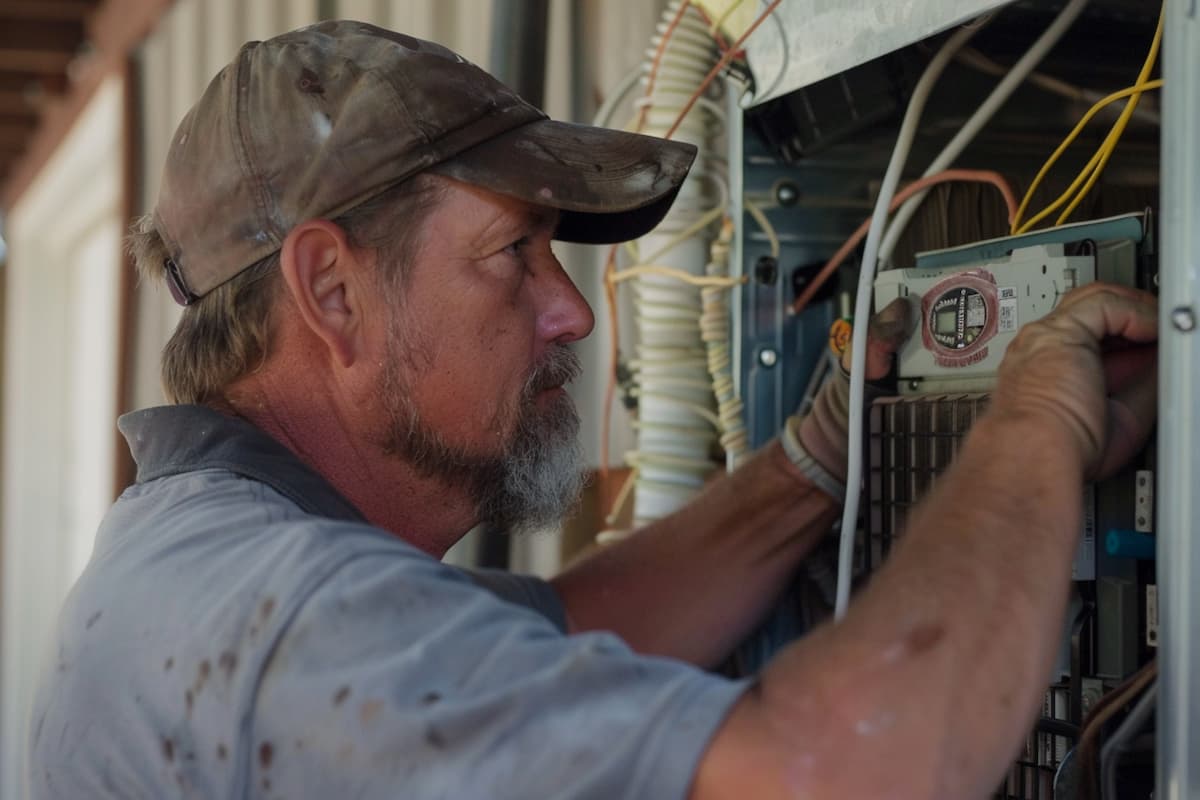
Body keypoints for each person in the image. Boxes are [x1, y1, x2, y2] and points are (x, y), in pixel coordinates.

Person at [28, 20, 1158, 800]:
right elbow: (846, 770)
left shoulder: (211, 555)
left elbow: (570, 630)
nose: (569, 312)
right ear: (332, 291)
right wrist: (1031, 430)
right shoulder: (288, 618)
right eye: (512, 253)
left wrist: (813, 455)